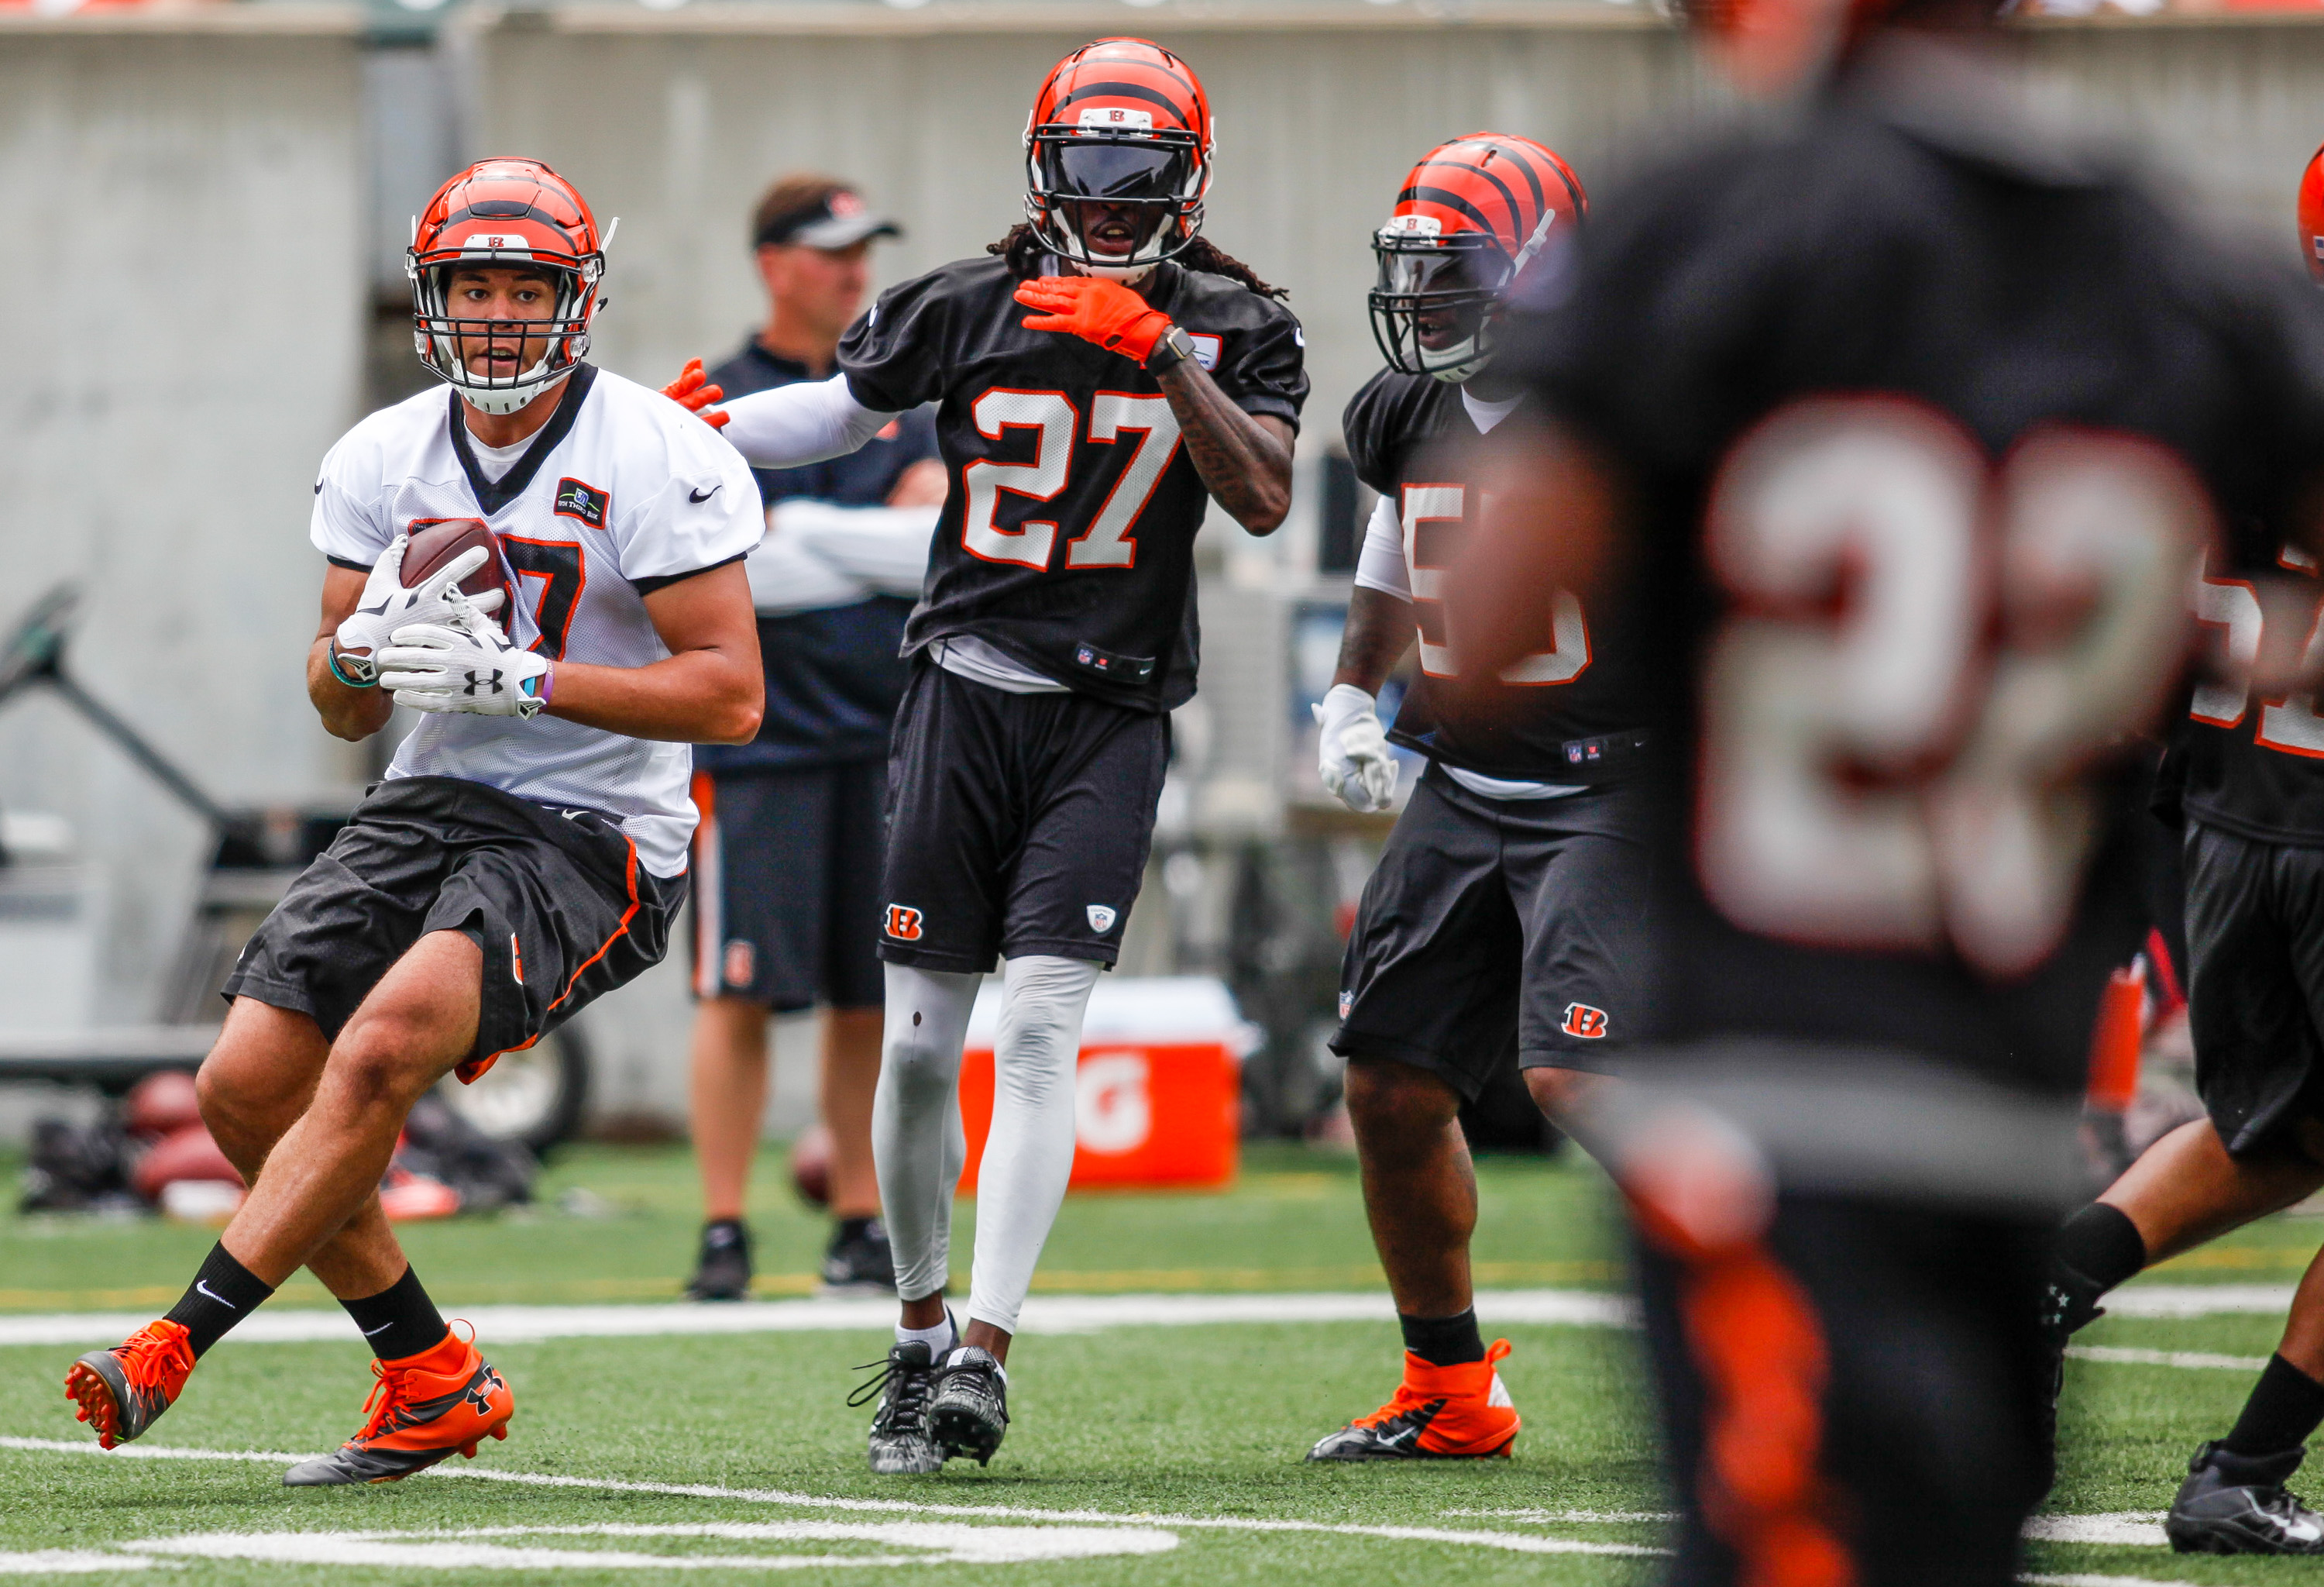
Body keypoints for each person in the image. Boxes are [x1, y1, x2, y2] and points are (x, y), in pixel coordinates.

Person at [1444, 12, 2324, 1583]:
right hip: (2017, 1092)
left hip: (1774, 1079)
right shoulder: (2199, 284)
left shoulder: (1729, 214)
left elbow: (1493, 640)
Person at [62, 157, 763, 1485]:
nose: (498, 317)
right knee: (243, 1087)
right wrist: (367, 655)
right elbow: (332, 703)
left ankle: (176, 1340)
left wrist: (529, 678)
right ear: (431, 298)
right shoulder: (384, 454)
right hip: (430, 795)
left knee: (380, 1054)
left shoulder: (661, 454)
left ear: (579, 297)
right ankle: (429, 1372)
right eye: (474, 288)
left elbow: (731, 699)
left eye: (525, 288)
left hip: (590, 824)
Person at [679, 37, 1305, 1474]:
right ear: (1044, 170)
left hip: (1113, 711)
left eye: (1141, 174)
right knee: (915, 1053)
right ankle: (915, 1331)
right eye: (1090, 169)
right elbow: (837, 411)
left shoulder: (1229, 325)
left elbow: (1264, 495)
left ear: (1188, 183)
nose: (1113, 200)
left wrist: (1157, 353)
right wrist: (669, 425)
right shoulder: (970, 300)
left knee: (1037, 1031)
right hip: (961, 692)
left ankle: (985, 1354)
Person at [1305, 133, 1653, 1463]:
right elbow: (1402, 534)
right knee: (1391, 1087)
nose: (1428, 300)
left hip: (1611, 786)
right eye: (1417, 272)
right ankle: (1451, 1388)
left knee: (1578, 1072)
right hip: (1463, 779)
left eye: (1454, 273)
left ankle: (1812, 1318)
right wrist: (1353, 692)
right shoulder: (1406, 409)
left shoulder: (1627, 409)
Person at [2043, 141, 2324, 1555]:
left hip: (2224, 822)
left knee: (2279, 1134)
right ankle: (2244, 1466)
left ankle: (2047, 1283)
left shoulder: (2232, 378)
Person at [676, 174, 944, 1302]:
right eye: (831, 252)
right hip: (760, 746)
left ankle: (854, 1220)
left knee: (868, 991)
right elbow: (721, 569)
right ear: (773, 262)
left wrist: (799, 532)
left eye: (863, 251)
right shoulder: (717, 401)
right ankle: (725, 1227)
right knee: (736, 990)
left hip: (888, 737)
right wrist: (852, 543)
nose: (853, 271)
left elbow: (935, 546)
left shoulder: (900, 396)